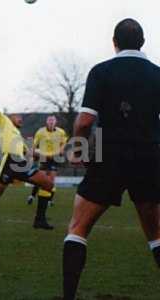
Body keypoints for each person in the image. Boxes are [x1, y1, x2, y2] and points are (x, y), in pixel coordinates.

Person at [63, 19, 160, 300]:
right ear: (142, 42)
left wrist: (79, 150)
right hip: (149, 157)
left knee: (78, 228)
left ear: (114, 42)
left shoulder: (102, 71)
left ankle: (68, 296)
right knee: (155, 235)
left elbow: (84, 122)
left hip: (110, 156)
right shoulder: (157, 75)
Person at [0, 86, 54, 235]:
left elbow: (30, 153)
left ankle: (39, 220)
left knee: (48, 184)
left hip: (20, 163)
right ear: (11, 117)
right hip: (9, 161)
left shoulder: (18, 135)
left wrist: (48, 154)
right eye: (18, 116)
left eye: (21, 118)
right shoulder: (3, 120)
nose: (20, 119)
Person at [27, 115, 67, 230]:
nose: (51, 122)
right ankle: (38, 209)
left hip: (54, 159)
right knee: (43, 182)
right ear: (46, 122)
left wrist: (60, 151)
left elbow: (63, 144)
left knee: (50, 183)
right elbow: (34, 146)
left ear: (56, 122)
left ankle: (44, 208)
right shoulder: (40, 132)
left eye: (53, 120)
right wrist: (36, 154)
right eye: (49, 120)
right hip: (44, 158)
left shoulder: (61, 132)